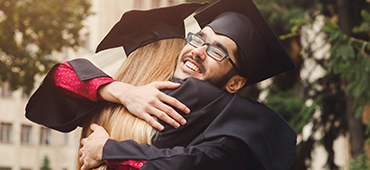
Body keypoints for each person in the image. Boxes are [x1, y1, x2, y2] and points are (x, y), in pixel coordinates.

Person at [26, 0, 297, 169]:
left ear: (235, 83)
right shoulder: (139, 94)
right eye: (198, 39)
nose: (199, 51)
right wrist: (125, 92)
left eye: (217, 51)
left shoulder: (230, 121)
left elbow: (193, 163)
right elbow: (60, 78)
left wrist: (107, 150)